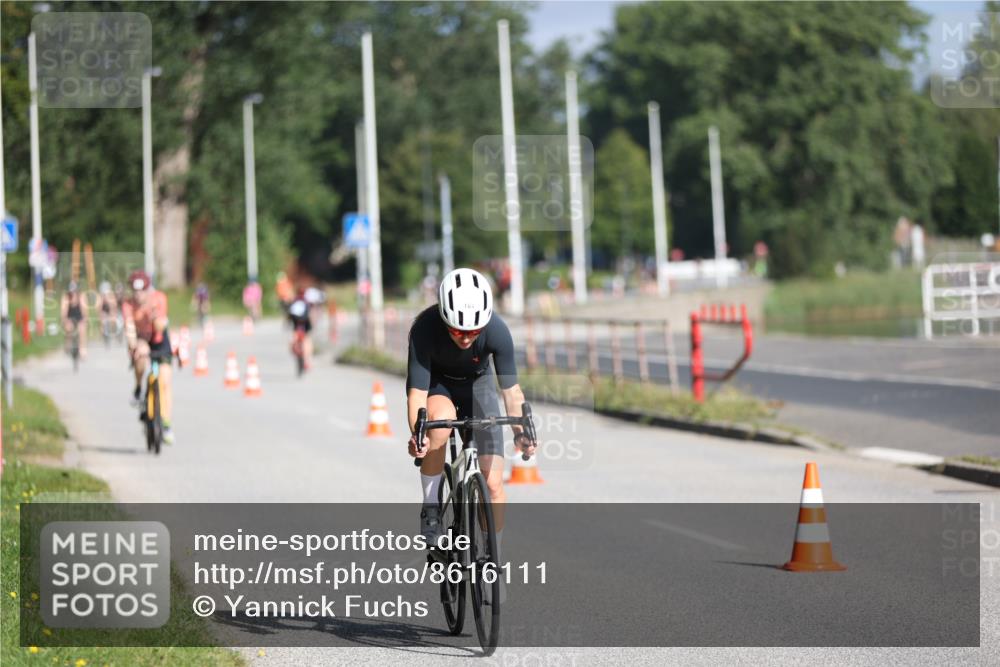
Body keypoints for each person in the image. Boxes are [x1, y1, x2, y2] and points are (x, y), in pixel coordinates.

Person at [406, 267, 536, 549]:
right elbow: (416, 394)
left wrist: (520, 431)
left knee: (492, 484)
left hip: (479, 385)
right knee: (438, 424)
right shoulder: (424, 330)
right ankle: (431, 507)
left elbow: (511, 392)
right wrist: (420, 435)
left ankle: (494, 554)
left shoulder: (497, 330)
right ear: (443, 318)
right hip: (438, 384)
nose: (465, 338)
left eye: (473, 332)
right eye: (457, 330)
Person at [122, 270, 175, 445]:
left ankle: (166, 424)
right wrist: (134, 346)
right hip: (140, 339)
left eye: (142, 290)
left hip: (159, 339)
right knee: (140, 360)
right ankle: (138, 388)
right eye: (135, 291)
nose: (138, 295)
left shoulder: (159, 299)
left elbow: (160, 325)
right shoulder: (128, 305)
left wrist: (154, 317)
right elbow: (129, 328)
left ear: (148, 289)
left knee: (165, 380)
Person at [60, 281, 88, 359]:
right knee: (68, 328)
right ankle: (67, 344)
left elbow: (84, 309)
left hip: (79, 316)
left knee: (82, 331)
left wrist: (85, 319)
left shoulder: (81, 296)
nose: (73, 294)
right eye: (71, 292)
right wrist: (64, 319)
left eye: (74, 291)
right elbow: (64, 310)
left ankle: (82, 350)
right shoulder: (66, 297)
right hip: (70, 316)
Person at [287, 289, 313, 370]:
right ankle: (307, 361)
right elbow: (309, 314)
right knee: (307, 340)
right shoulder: (306, 302)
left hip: (296, 324)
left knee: (293, 339)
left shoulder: (294, 301)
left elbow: (289, 315)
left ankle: (294, 350)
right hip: (305, 324)